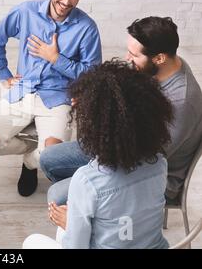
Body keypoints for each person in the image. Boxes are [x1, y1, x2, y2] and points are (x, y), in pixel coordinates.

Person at [41, 16, 202, 206]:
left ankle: (93, 207)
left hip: (149, 177)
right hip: (125, 147)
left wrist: (98, 124)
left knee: (56, 196)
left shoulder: (181, 102)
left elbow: (147, 158)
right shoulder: (164, 66)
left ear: (159, 58)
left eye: (134, 55)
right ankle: (88, 200)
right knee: (48, 158)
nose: (127, 58)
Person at [0, 0, 102, 197]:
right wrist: (4, 75)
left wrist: (56, 59)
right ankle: (31, 149)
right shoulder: (26, 12)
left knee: (53, 156)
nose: (66, 2)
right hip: (23, 90)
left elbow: (93, 75)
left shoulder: (87, 28)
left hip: (58, 97)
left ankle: (30, 163)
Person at [24, 61, 173, 248]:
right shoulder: (159, 164)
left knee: (32, 242)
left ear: (95, 127)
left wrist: (70, 224)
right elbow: (130, 225)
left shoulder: (87, 181)